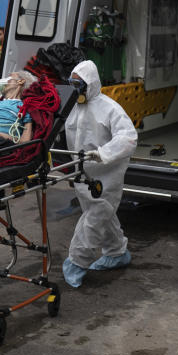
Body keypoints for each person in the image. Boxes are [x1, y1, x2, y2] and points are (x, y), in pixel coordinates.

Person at [62, 61, 138, 288]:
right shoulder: (74, 107)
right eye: (72, 84)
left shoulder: (110, 108)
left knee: (95, 217)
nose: (76, 89)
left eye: (79, 84)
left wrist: (103, 153)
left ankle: (77, 261)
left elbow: (129, 137)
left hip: (107, 174)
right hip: (84, 173)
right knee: (102, 213)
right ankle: (116, 252)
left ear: (91, 83)